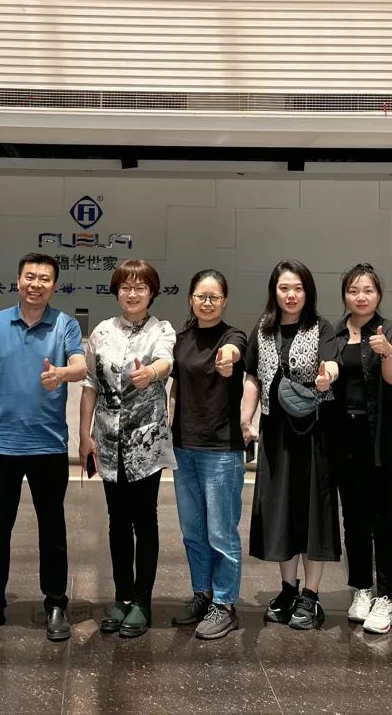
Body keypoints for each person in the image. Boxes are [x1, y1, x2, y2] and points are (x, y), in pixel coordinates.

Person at [0, 252, 86, 641]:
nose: (36, 285)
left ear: (55, 286)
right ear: (18, 280)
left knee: (52, 527)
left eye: (44, 279)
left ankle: (55, 603)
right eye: (30, 277)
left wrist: (62, 374)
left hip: (48, 445)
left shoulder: (65, 324)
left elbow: (81, 367)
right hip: (4, 443)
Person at [240, 259, 340, 631]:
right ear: (275, 291)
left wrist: (327, 376)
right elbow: (252, 378)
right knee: (281, 510)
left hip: (313, 432)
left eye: (298, 288)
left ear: (307, 291)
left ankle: (310, 595)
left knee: (312, 510)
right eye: (284, 288)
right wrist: (245, 419)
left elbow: (332, 364)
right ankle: (287, 589)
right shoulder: (263, 329)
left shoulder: (321, 327)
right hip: (275, 433)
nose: (291, 295)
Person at [79, 260, 176, 639]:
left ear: (152, 292)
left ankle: (142, 601)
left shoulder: (161, 329)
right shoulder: (102, 331)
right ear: (116, 291)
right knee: (116, 519)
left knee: (144, 519)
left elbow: (166, 361)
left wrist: (151, 372)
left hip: (145, 439)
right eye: (125, 287)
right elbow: (90, 383)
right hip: (107, 437)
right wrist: (84, 434)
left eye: (140, 287)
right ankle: (121, 597)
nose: (132, 294)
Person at [167, 269, 248, 640]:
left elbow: (233, 353)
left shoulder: (233, 337)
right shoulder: (181, 339)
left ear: (225, 300)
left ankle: (226, 604)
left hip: (220, 449)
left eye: (214, 297)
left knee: (221, 532)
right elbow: (175, 388)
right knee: (193, 531)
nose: (207, 302)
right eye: (201, 296)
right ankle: (203, 593)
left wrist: (227, 359)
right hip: (183, 447)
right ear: (191, 299)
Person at [332, 263, 392, 635]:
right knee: (354, 516)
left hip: (378, 436)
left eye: (367, 290)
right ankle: (362, 588)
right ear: (345, 295)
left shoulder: (390, 331)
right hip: (343, 436)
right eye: (353, 290)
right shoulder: (333, 333)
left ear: (378, 295)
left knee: (384, 517)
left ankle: (387, 597)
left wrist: (388, 353)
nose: (360, 297)